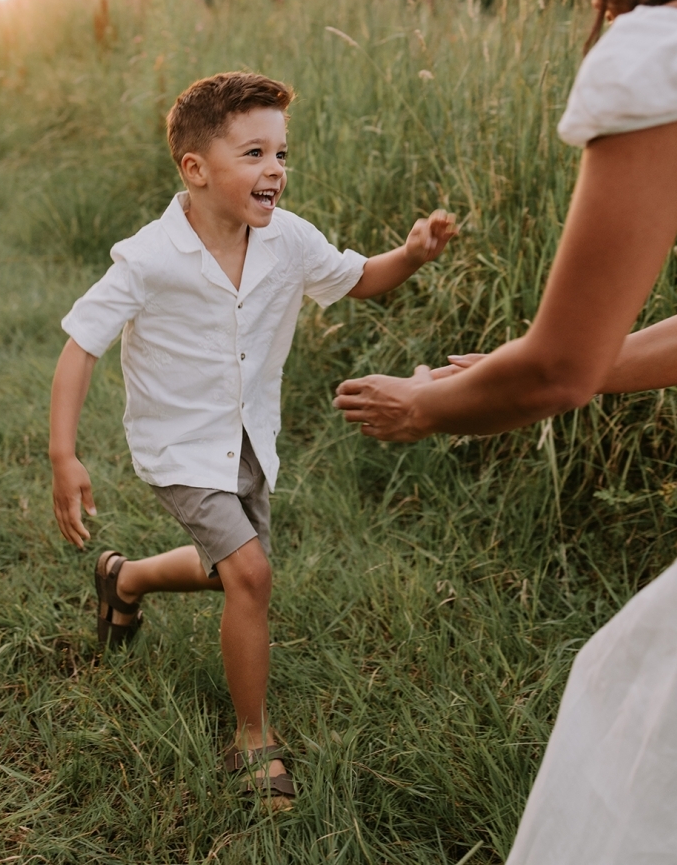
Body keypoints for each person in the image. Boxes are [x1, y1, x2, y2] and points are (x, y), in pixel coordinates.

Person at [334, 0, 677, 861]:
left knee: (636, 742)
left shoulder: (660, 53)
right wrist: (501, 367)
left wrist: (428, 405)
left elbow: (559, 370)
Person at [49, 70, 457, 805]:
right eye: (254, 154)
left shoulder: (289, 241)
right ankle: (251, 739)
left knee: (224, 572)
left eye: (281, 153)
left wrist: (413, 255)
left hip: (248, 439)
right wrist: (64, 455)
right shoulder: (148, 257)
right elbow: (81, 344)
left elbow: (358, 277)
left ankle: (126, 578)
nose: (275, 170)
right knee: (250, 576)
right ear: (196, 169)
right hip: (178, 445)